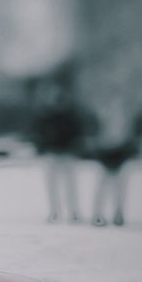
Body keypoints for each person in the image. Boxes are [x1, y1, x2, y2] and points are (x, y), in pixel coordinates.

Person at [31, 79, 87, 222]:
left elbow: (77, 134)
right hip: (52, 154)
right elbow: (39, 134)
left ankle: (73, 212)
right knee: (53, 187)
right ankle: (55, 212)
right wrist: (41, 148)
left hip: (66, 154)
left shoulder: (71, 116)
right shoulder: (46, 116)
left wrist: (75, 147)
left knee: (69, 186)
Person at [90, 96, 142, 226]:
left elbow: (133, 137)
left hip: (121, 153)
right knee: (103, 185)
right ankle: (98, 214)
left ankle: (118, 214)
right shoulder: (102, 116)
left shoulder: (129, 119)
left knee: (120, 186)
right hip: (106, 153)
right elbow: (96, 136)